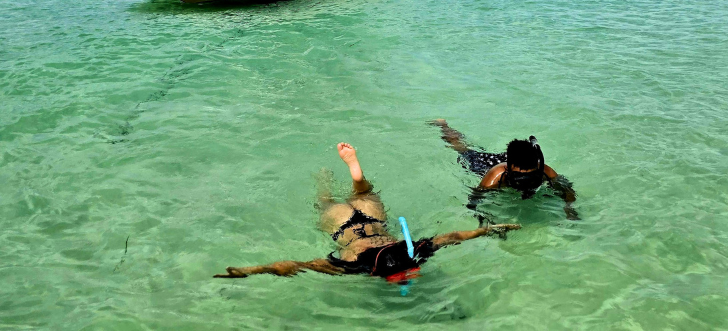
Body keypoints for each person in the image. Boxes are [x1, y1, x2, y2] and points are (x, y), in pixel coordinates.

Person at [214, 142, 520, 280]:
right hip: (342, 227)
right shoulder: (358, 266)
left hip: (369, 219)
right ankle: (334, 180)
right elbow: (296, 265)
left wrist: (488, 230)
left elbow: (452, 236)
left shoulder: (412, 251)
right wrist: (251, 271)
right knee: (325, 202)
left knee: (360, 193)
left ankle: (347, 176)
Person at [431, 119, 578, 219]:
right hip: (486, 165)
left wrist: (569, 208)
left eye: (530, 175)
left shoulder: (544, 170)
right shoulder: (495, 176)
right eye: (521, 177)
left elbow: (566, 188)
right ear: (510, 167)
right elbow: (476, 196)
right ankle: (443, 125)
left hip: (516, 160)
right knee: (463, 149)